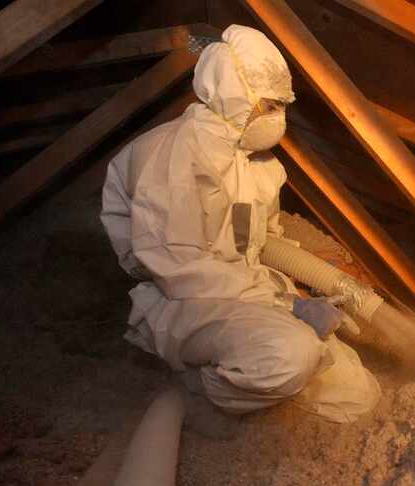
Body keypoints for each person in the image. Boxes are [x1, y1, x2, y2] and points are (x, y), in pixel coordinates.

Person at [100, 25, 380, 424]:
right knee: (289, 357)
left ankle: (261, 387)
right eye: (269, 106)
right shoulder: (173, 155)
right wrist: (290, 304)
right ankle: (202, 389)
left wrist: (310, 286)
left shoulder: (261, 167)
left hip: (248, 296)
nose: (279, 118)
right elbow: (181, 271)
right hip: (186, 304)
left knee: (356, 394)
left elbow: (262, 243)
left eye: (283, 106)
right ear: (234, 94)